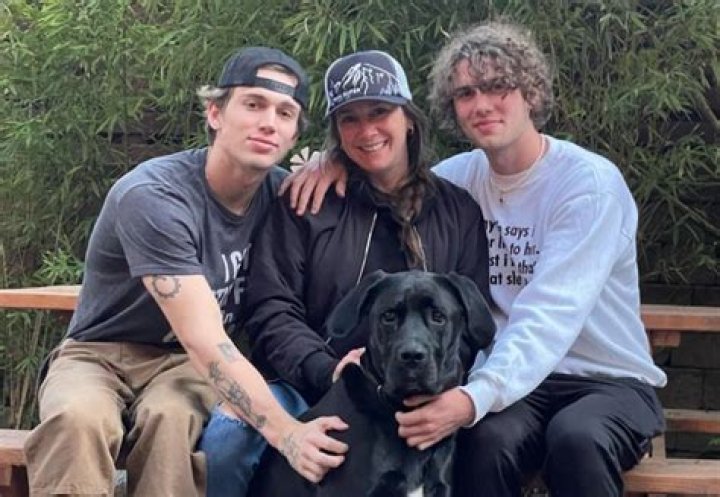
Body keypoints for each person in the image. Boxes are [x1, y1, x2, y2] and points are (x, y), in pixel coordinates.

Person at [283, 21, 667, 497]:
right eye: (466, 93)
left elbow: (550, 316)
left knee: (576, 439)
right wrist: (336, 161)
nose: (481, 104)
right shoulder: (457, 181)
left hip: (604, 381)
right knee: (485, 441)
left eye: (497, 86)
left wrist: (472, 398)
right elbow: (390, 174)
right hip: (517, 388)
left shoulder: (587, 185)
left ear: (530, 92)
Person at [23, 46, 348, 497]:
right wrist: (288, 433)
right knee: (76, 419)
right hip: (99, 353)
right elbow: (204, 338)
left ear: (295, 134)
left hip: (183, 366)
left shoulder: (285, 195)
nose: (268, 122)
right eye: (253, 104)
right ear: (215, 113)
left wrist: (337, 161)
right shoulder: (154, 194)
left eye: (285, 113)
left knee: (172, 422)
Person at [200, 49, 491, 496]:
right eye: (350, 119)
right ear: (336, 132)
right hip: (304, 388)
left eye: (380, 113)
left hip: (427, 391)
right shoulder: (307, 202)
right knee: (227, 439)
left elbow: (472, 321)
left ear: (408, 119)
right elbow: (272, 307)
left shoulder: (457, 211)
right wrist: (326, 368)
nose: (367, 130)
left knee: (494, 441)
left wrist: (446, 388)